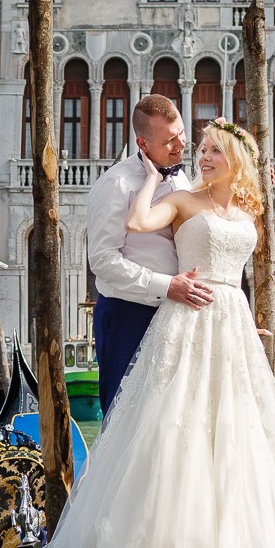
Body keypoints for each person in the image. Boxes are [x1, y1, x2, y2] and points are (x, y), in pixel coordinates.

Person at [48, 119, 275, 548]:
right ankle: (162, 534)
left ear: (235, 160)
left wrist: (246, 321)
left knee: (234, 427)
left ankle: (230, 538)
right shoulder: (177, 197)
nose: (202, 156)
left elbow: (238, 269)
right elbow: (138, 223)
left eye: (214, 150)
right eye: (201, 149)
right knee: (176, 420)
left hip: (232, 319)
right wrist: (154, 180)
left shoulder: (248, 207)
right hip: (188, 313)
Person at [84, 95, 212, 414]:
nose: (181, 144)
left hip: (176, 313)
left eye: (181, 132)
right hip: (128, 315)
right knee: (123, 416)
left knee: (172, 419)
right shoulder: (114, 184)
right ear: (143, 142)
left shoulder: (182, 178)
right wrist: (166, 285)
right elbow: (102, 261)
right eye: (169, 140)